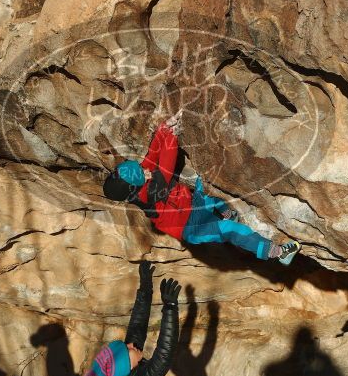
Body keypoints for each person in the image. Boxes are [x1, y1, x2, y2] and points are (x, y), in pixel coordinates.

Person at [102, 112, 301, 264]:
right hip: (191, 228)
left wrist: (164, 128)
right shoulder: (151, 193)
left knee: (209, 185)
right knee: (229, 230)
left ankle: (227, 213)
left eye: (138, 168)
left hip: (193, 203)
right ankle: (276, 252)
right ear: (135, 189)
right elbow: (166, 164)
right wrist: (172, 136)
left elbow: (151, 157)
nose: (144, 170)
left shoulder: (139, 180)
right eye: (141, 174)